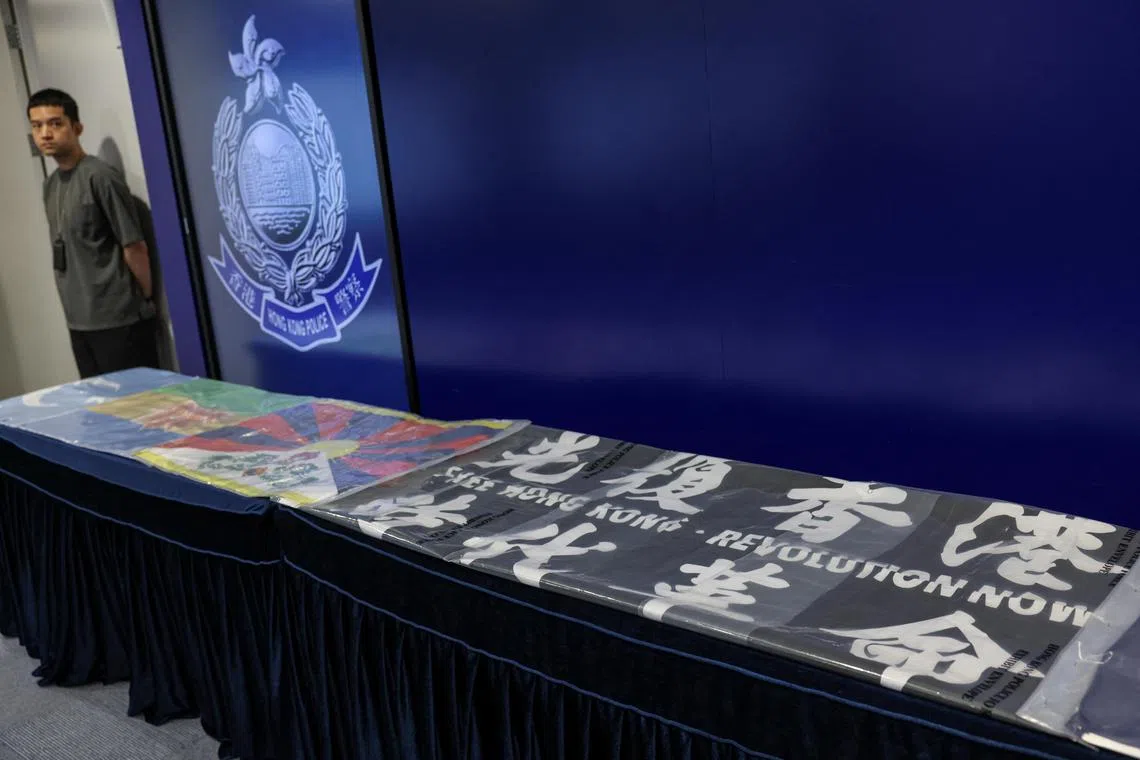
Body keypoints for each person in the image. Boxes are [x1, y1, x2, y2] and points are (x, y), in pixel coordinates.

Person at [27, 88, 159, 379]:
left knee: (139, 409)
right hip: (78, 321)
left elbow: (134, 245)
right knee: (101, 413)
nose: (45, 134)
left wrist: (143, 300)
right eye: (37, 126)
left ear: (77, 128)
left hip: (118, 320)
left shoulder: (100, 176)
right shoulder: (50, 185)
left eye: (55, 123)